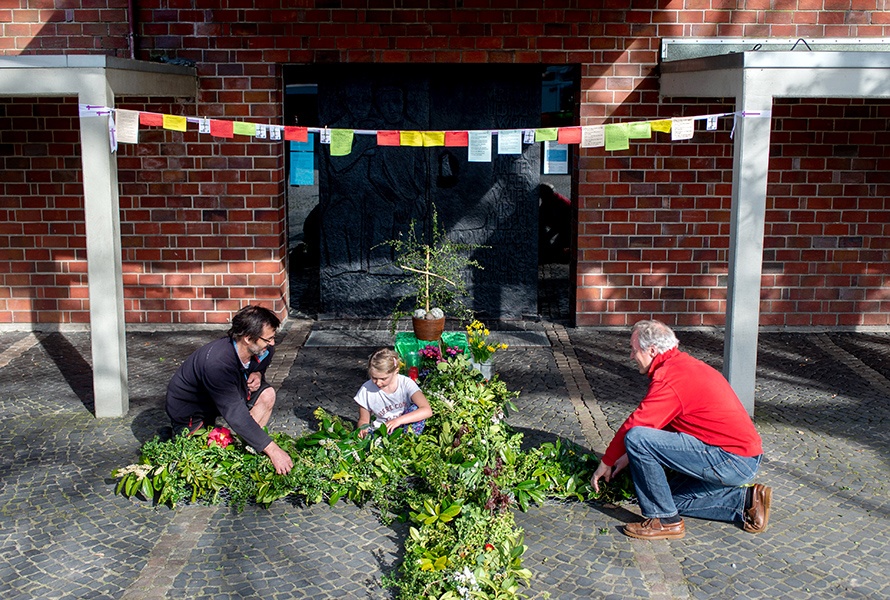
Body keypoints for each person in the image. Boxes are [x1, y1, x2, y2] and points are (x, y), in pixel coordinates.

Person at [590, 320, 771, 540]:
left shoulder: (670, 378)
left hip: (731, 460)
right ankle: (746, 501)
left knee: (637, 437)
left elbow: (637, 425)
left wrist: (607, 461)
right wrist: (627, 456)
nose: (631, 356)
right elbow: (663, 419)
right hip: (740, 458)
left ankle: (665, 522)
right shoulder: (682, 365)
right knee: (666, 499)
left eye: (634, 350)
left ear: (652, 350)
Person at [165, 305, 294, 475]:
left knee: (267, 394)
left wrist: (258, 373)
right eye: (268, 339)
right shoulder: (217, 363)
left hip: (224, 395)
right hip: (191, 410)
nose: (272, 343)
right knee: (204, 462)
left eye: (273, 337)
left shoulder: (263, 349)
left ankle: (249, 445)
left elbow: (263, 359)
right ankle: (173, 434)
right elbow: (235, 412)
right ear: (248, 338)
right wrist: (274, 450)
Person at [354, 348, 432, 438]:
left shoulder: (406, 383)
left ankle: (408, 440)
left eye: (383, 379)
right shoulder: (366, 390)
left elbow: (427, 410)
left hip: (404, 425)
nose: (378, 382)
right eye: (374, 378)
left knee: (416, 408)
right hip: (382, 431)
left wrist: (398, 421)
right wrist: (362, 429)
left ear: (396, 371)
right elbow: (364, 420)